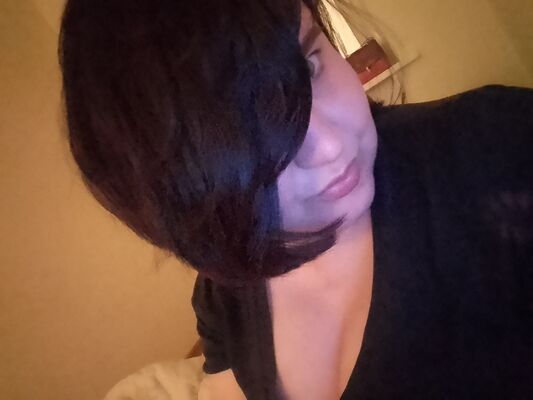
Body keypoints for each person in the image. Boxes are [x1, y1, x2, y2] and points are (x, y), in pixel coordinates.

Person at [58, 0, 533, 399]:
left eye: (308, 66)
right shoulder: (224, 295)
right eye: (247, 132)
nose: (330, 146)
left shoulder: (496, 147)